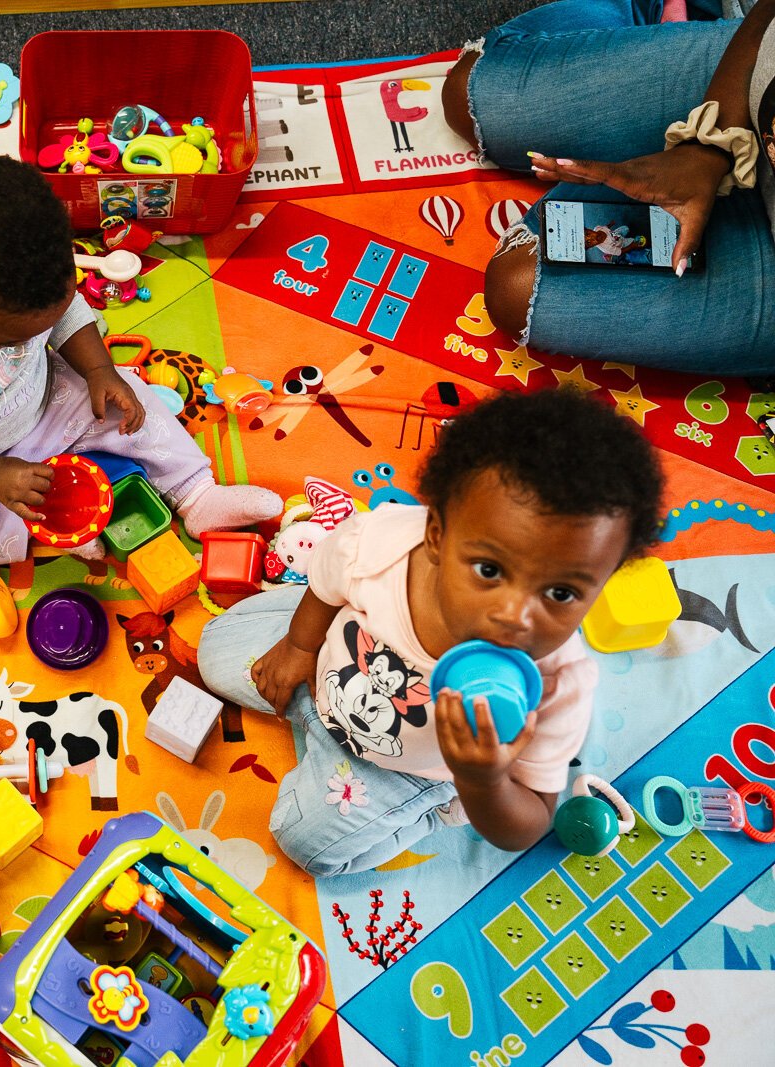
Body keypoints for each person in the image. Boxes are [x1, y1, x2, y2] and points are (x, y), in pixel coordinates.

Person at [196, 390, 663, 876]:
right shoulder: (383, 542)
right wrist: (299, 645)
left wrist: (481, 782)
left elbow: (527, 824)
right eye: (489, 569)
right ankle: (308, 700)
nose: (515, 614)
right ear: (437, 534)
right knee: (212, 651)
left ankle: (436, 809)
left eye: (561, 593)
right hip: (320, 672)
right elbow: (327, 582)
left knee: (309, 849)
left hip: (412, 768)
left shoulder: (557, 684)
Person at [0, 155, 282, 571]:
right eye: (6, 341)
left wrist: (98, 370)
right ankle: (33, 524)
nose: (25, 344)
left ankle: (196, 495)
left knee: (129, 396)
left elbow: (68, 312)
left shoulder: (36, 266)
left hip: (45, 403)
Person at [439, 1, 775, 371]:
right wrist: (708, 146)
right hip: (751, 81)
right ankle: (663, 11)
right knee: (469, 95)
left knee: (517, 288)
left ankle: (656, 57)